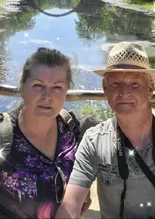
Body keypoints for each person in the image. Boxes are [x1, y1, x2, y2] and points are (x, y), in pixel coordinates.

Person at [55, 41, 155, 219]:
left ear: (150, 88)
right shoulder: (95, 141)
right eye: (116, 84)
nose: (124, 93)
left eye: (134, 85)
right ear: (105, 88)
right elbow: (71, 206)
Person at [0, 47, 88, 219]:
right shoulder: (4, 135)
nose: (47, 96)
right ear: (23, 87)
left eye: (57, 87)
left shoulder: (70, 127)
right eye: (38, 86)